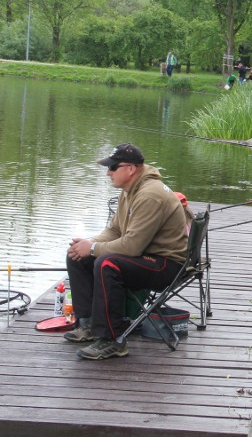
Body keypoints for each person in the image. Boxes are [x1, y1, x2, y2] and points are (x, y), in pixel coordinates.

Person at [64, 144, 188, 359]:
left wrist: (92, 248)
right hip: (145, 256)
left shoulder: (149, 195)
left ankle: (113, 340)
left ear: (130, 169)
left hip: (166, 264)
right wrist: (87, 244)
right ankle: (89, 324)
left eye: (113, 167)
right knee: (76, 256)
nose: (108, 172)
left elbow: (132, 246)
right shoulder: (131, 189)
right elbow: (115, 230)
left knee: (107, 263)